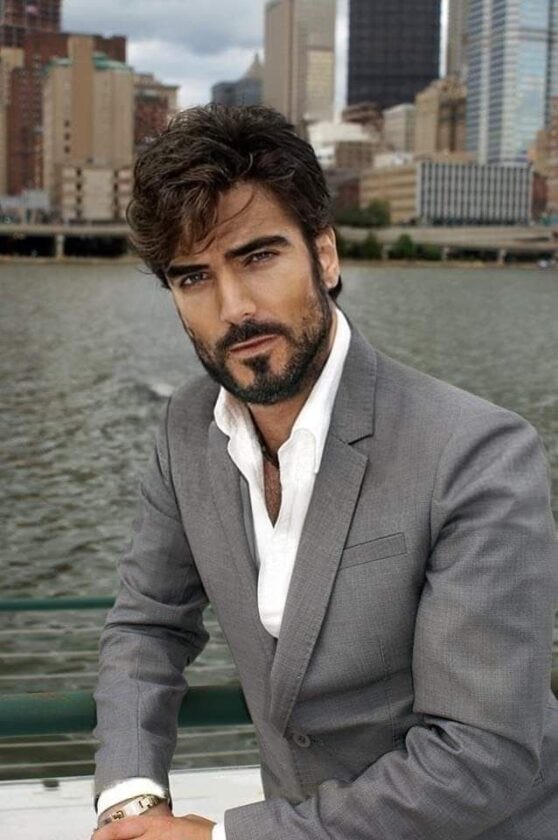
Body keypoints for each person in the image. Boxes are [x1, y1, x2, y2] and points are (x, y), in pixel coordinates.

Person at [92, 105, 558, 840]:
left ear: (325, 255)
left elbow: (480, 757)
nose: (234, 308)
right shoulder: (186, 427)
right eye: (194, 277)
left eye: (258, 257)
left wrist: (224, 839)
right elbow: (148, 624)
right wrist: (131, 797)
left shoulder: (478, 454)